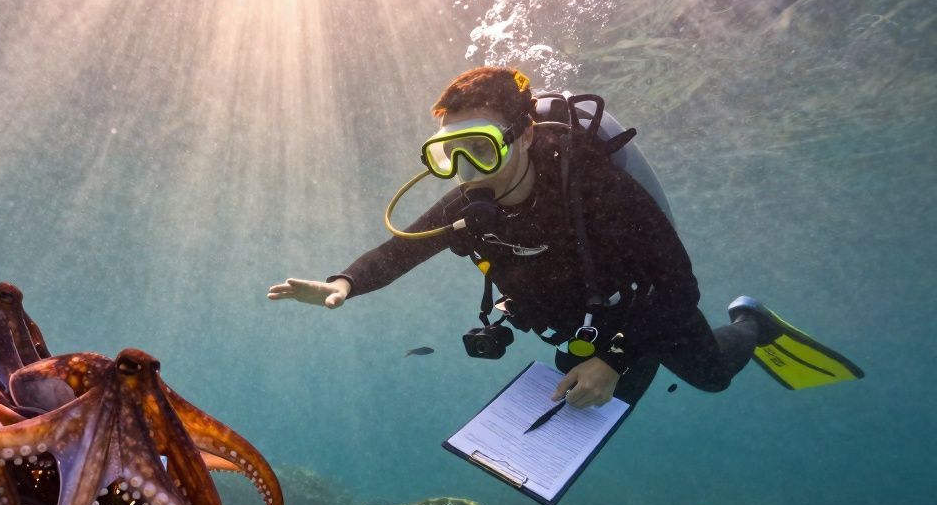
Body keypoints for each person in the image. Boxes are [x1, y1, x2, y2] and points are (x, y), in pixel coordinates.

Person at [268, 66, 861, 407]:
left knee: (707, 377)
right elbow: (403, 249)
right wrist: (343, 282)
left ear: (523, 136)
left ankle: (753, 322)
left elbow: (679, 285)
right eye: (447, 155)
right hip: (576, 311)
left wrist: (614, 356)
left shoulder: (595, 190)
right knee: (585, 389)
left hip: (641, 304)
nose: (467, 172)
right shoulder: (471, 198)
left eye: (481, 148)